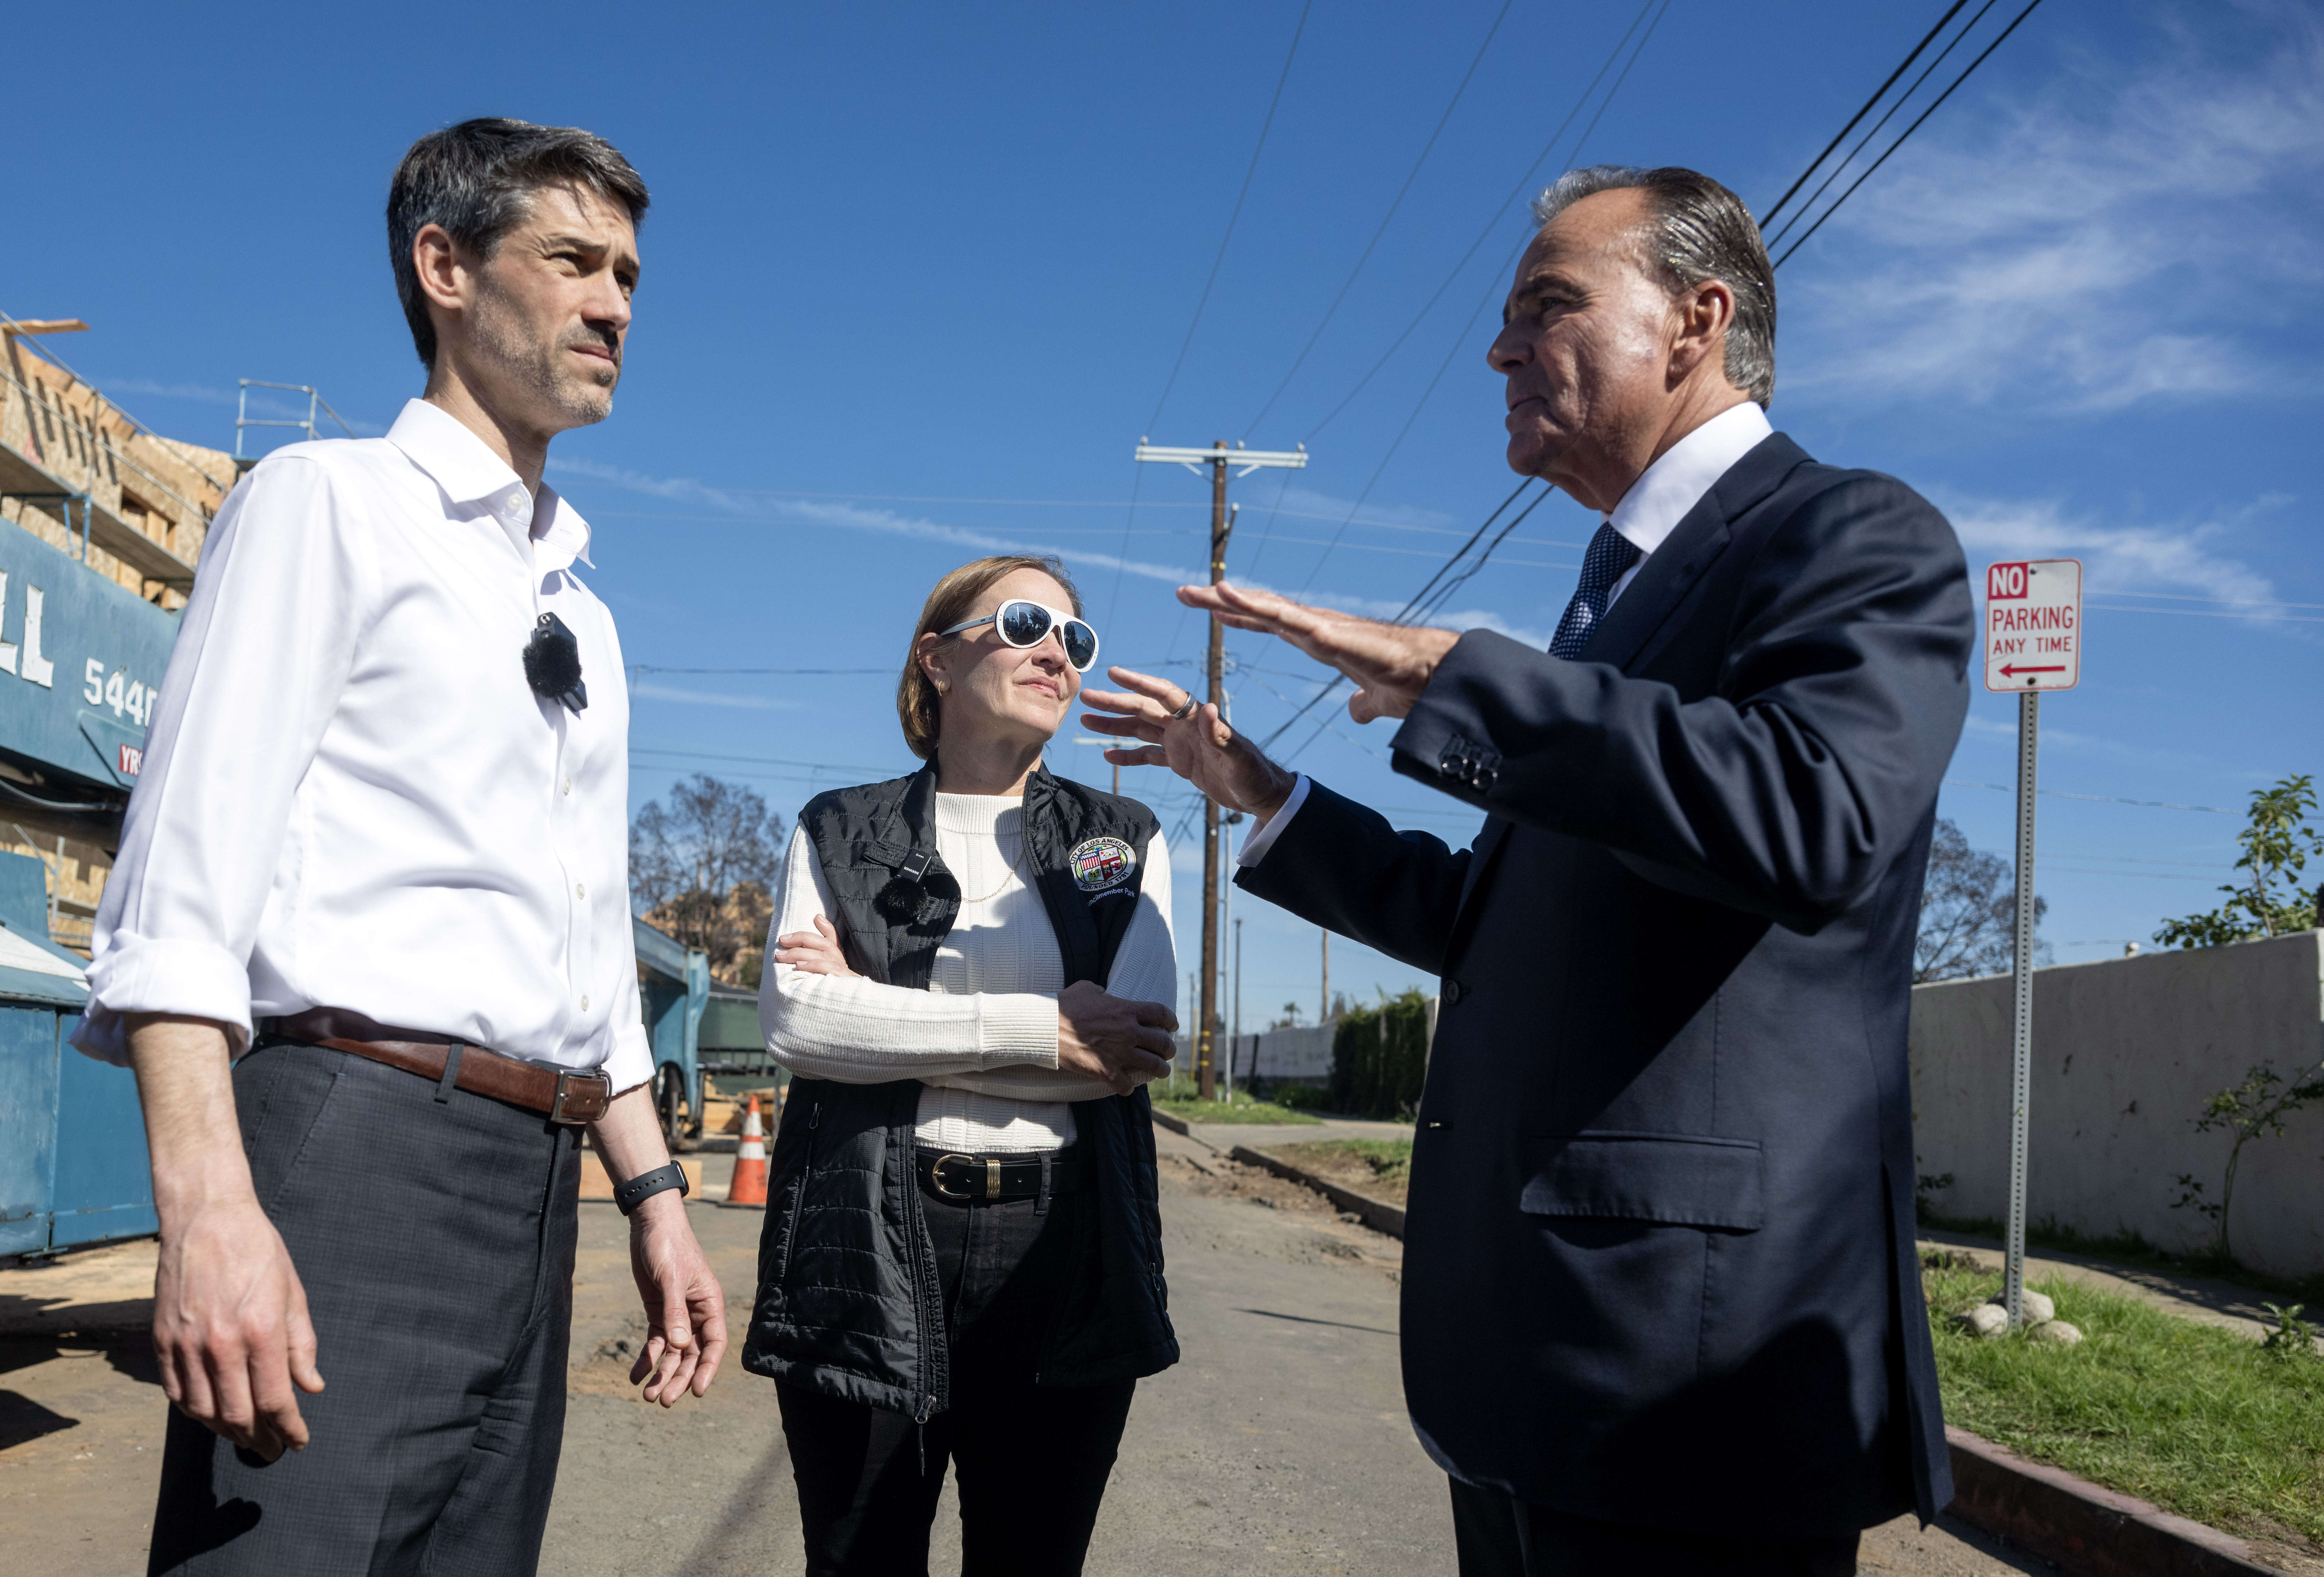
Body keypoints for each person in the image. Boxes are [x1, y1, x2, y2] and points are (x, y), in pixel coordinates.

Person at [1082, 166, 1976, 1575]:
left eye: (1546, 305)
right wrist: (1256, 789)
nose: (1499, 350)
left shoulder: (1850, 533)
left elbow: (1819, 815)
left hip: (1690, 1378)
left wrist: (1453, 669)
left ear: (1698, 320)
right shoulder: (1612, 601)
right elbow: (1489, 923)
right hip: (1538, 1374)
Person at [77, 119, 726, 1576]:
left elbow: (590, 949)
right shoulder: (325, 505)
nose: (615, 303)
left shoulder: (585, 613)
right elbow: (178, 888)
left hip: (539, 1179)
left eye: (627, 272)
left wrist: (656, 1200)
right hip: (355, 1147)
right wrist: (209, 1213)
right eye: (571, 261)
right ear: (444, 266)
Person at [742, 555, 1181, 1577]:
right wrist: (1046, 1033)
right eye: (1027, 622)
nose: (1057, 653)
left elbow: (1130, 1052)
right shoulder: (839, 827)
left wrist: (884, 1018)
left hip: (1064, 1250)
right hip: (864, 1243)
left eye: (1077, 638)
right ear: (936, 658)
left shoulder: (1124, 837)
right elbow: (801, 1024)